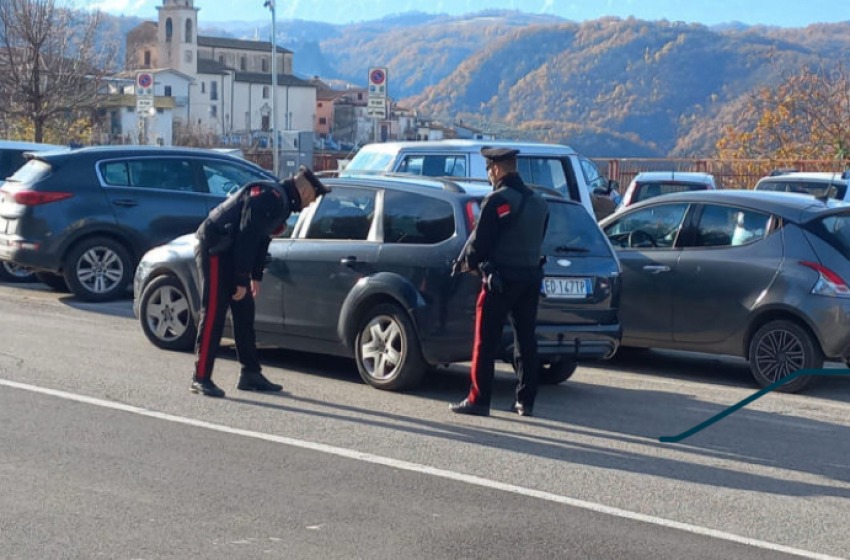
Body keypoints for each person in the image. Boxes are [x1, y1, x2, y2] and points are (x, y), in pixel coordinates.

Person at [190, 165, 330, 398]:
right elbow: (247, 235)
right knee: (214, 311)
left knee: (245, 311)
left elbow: (261, 239)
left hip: (231, 251)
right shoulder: (271, 197)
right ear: (305, 191)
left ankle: (250, 373)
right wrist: (240, 278)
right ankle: (201, 377)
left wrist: (255, 276)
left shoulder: (280, 201)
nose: (310, 204)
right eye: (313, 198)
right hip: (216, 247)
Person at [450, 147, 549, 417]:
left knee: (485, 340)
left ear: (496, 168)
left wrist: (468, 263)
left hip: (500, 281)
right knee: (526, 340)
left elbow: (479, 244)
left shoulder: (497, 200)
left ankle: (478, 399)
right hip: (530, 279)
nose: (489, 175)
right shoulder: (539, 202)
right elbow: (539, 237)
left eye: (489, 169)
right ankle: (525, 401)